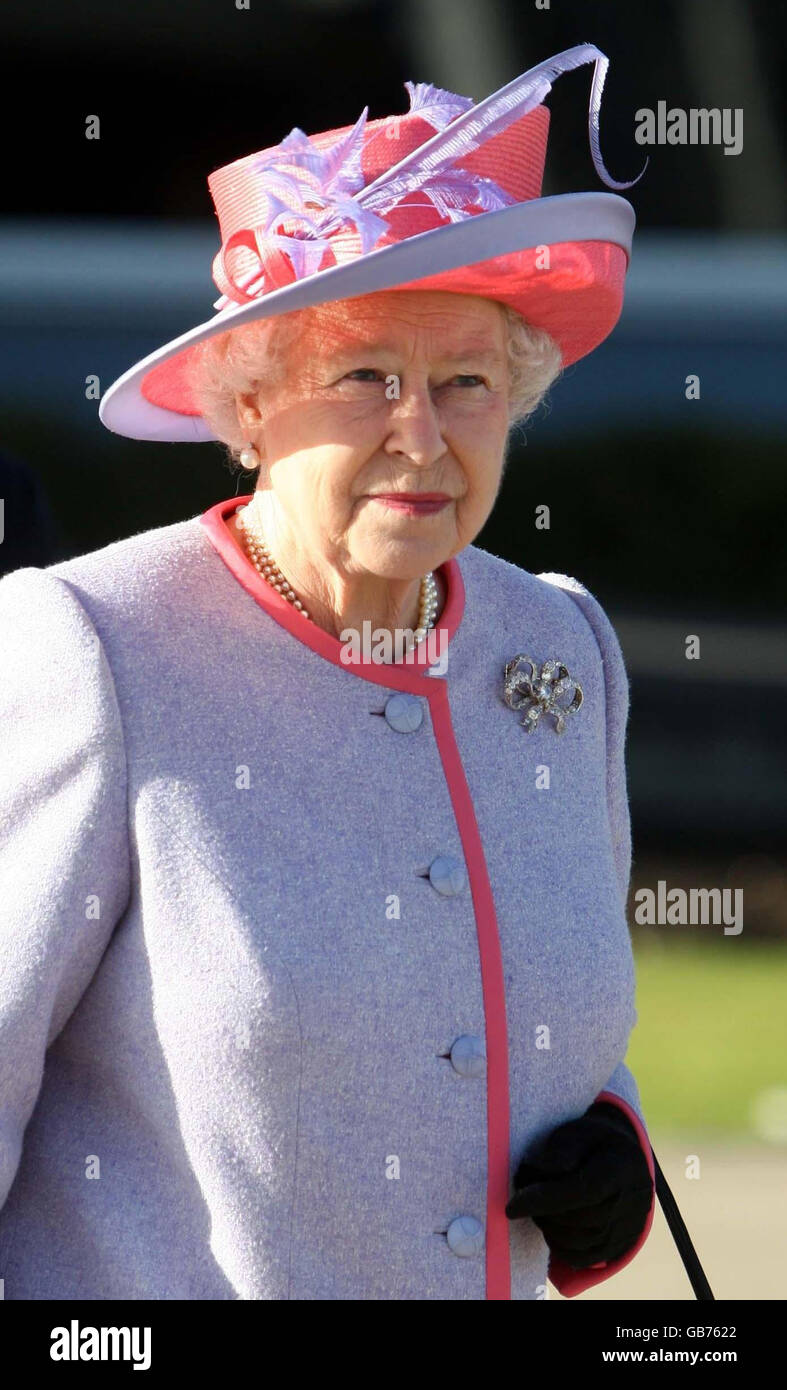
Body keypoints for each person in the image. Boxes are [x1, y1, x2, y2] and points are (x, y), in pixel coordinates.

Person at [0, 44, 655, 1301]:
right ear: (248, 408)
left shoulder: (559, 649)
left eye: (466, 382)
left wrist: (609, 1155)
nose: (421, 432)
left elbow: (543, 1022)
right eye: (366, 378)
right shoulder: (93, 652)